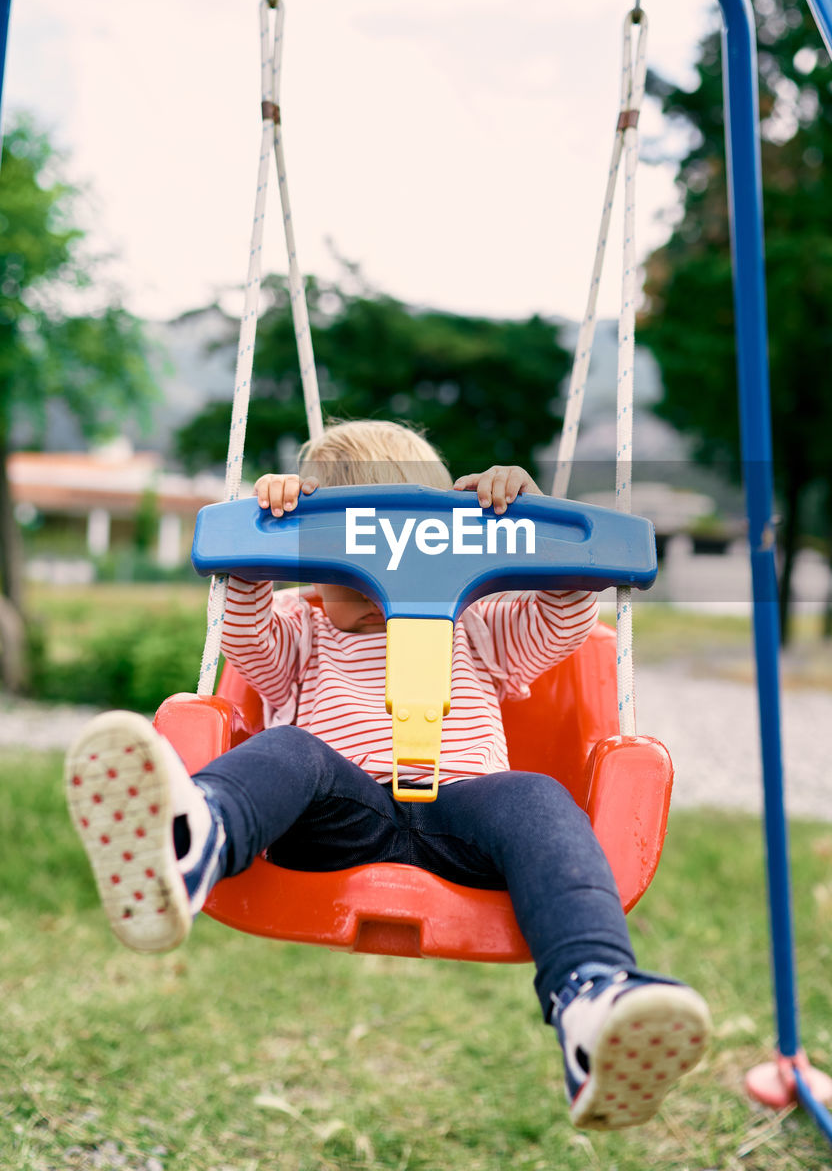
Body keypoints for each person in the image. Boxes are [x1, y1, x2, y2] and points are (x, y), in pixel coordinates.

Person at [66, 419, 710, 1132]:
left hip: (463, 820)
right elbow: (243, 633)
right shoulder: (301, 627)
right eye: (347, 564)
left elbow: (562, 618)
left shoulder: (479, 626)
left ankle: (593, 996)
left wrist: (527, 523)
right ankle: (187, 845)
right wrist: (264, 531)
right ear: (312, 559)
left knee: (534, 795)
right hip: (336, 816)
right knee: (291, 749)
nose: (378, 587)